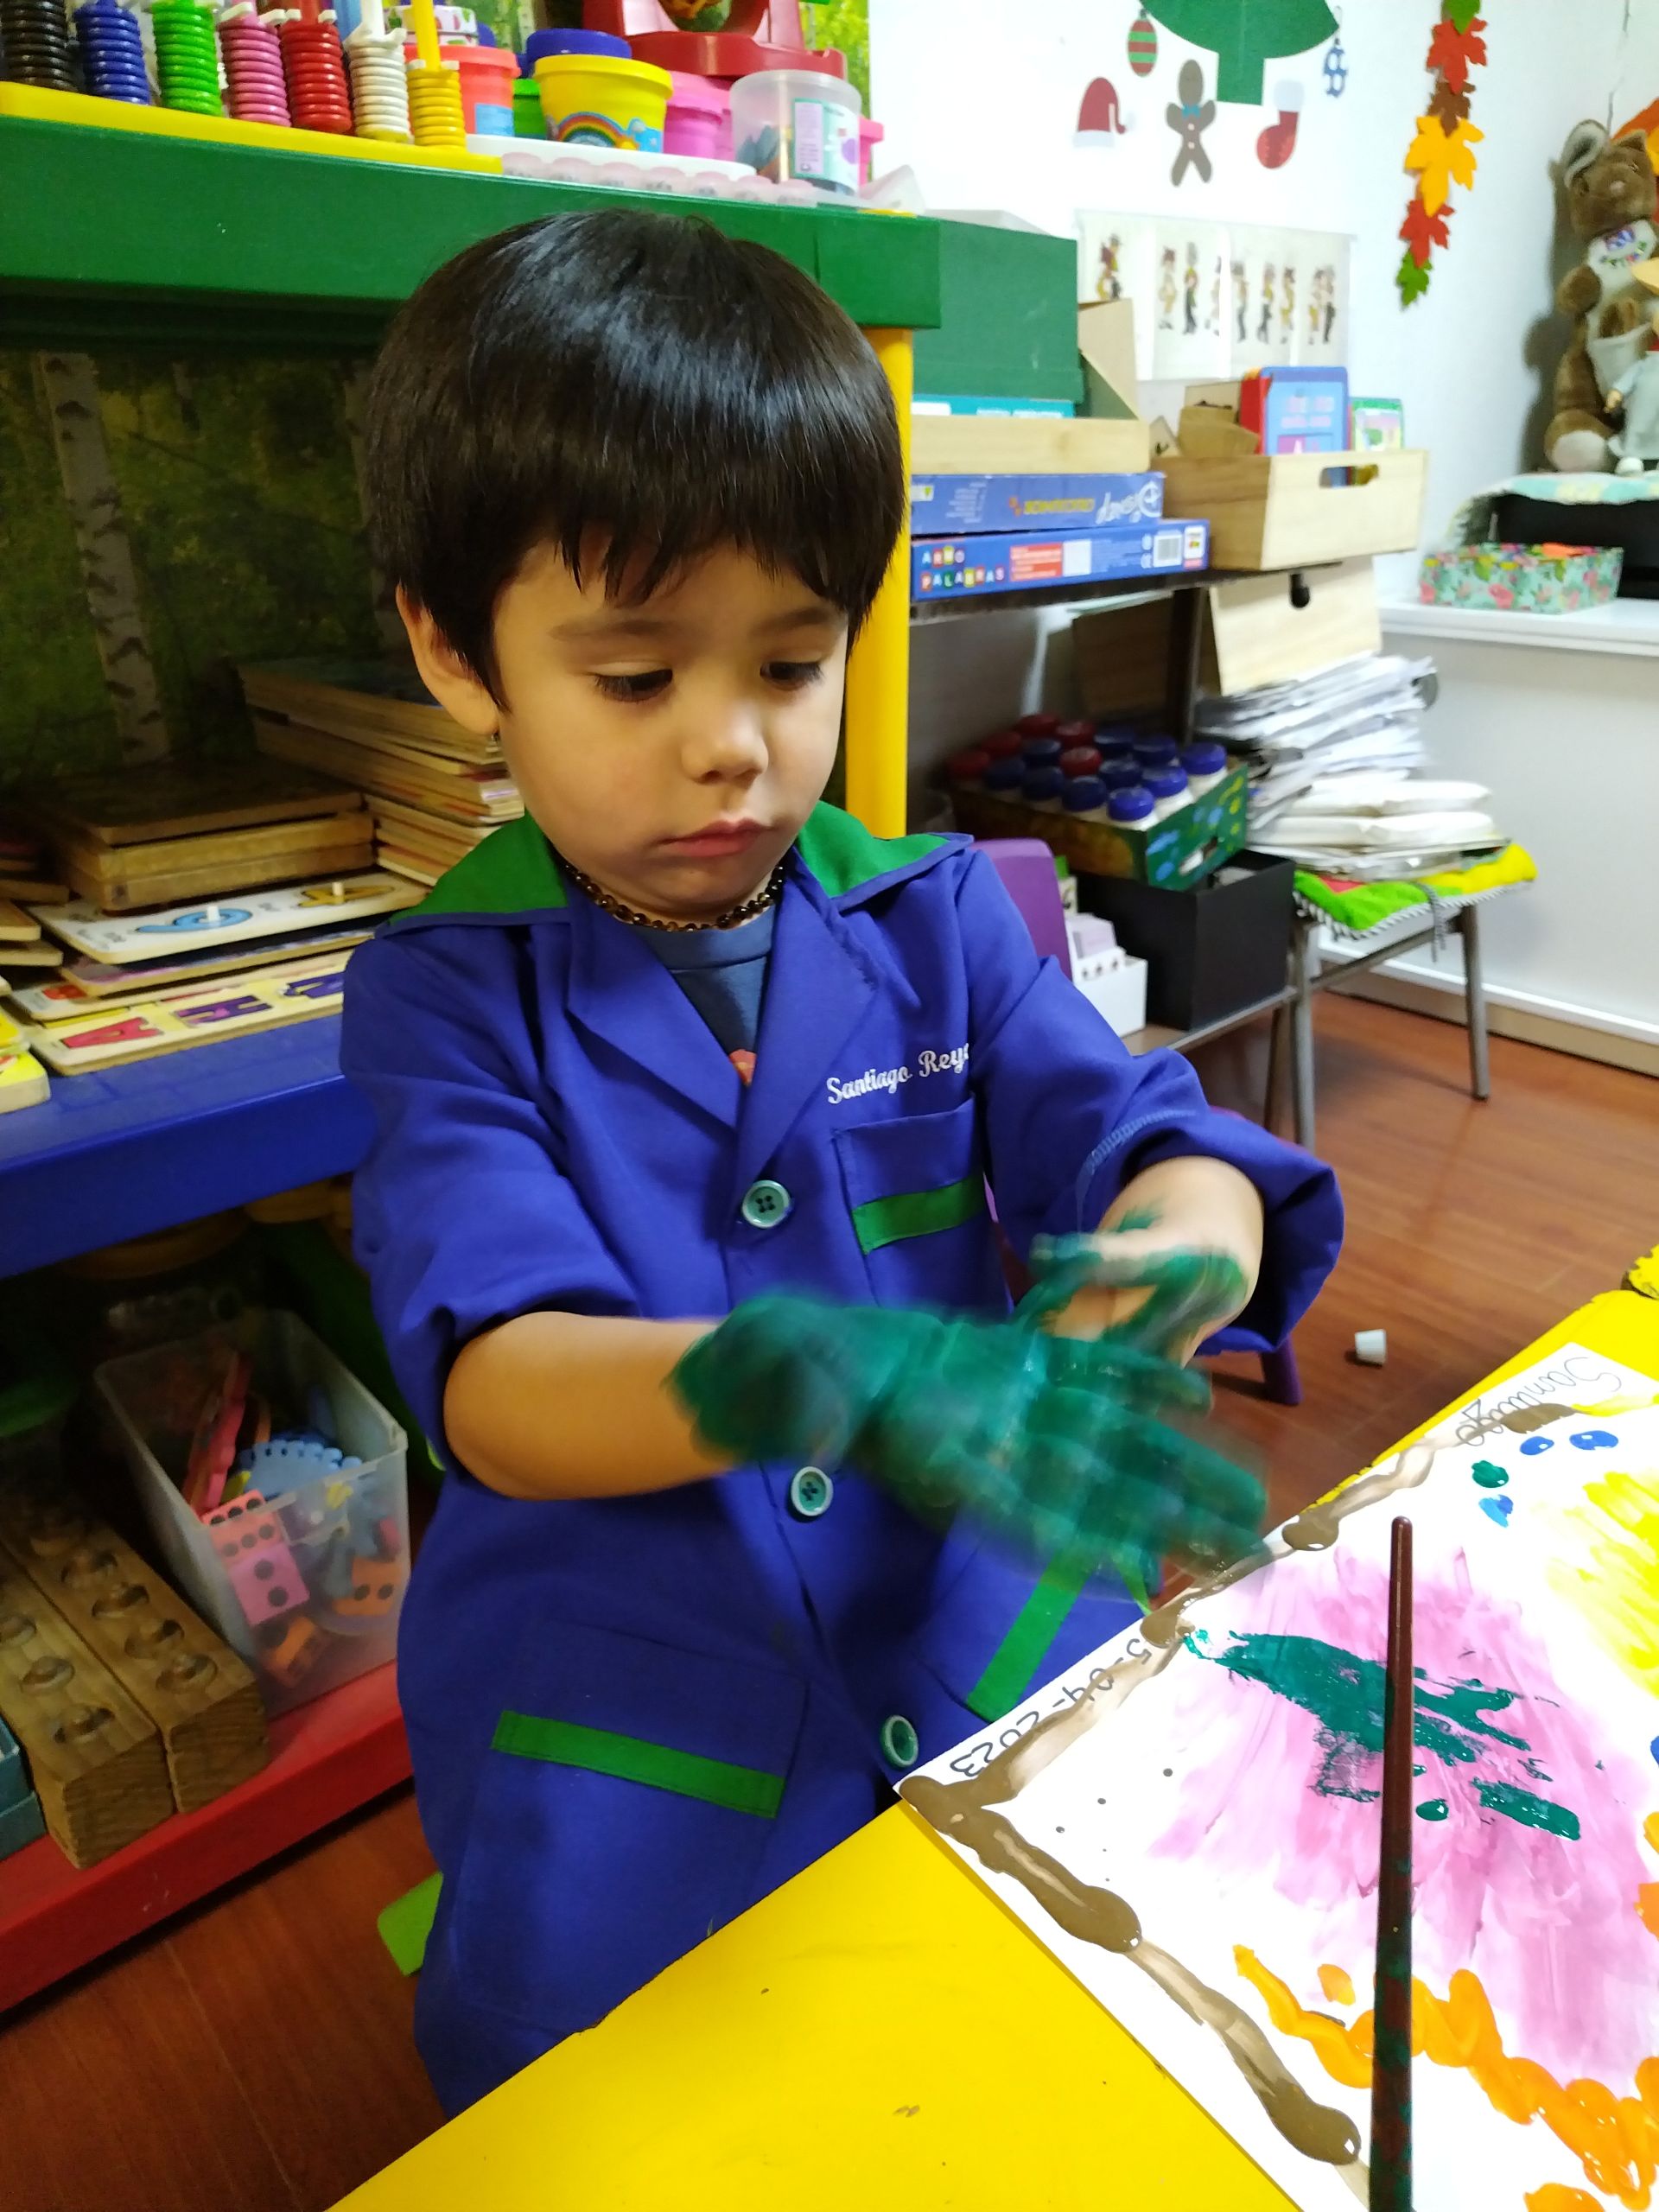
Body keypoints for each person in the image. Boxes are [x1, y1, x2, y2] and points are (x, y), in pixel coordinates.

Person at [343, 207, 1344, 2117]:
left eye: (794, 664)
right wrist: (797, 1369)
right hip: (634, 1719)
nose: (735, 749)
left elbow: (1150, 1138)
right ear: (455, 653)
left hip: (971, 1645)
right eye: (635, 681)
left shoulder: (935, 916)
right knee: (643, 2116)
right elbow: (500, 1380)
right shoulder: (443, 1000)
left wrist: (1177, 1252)